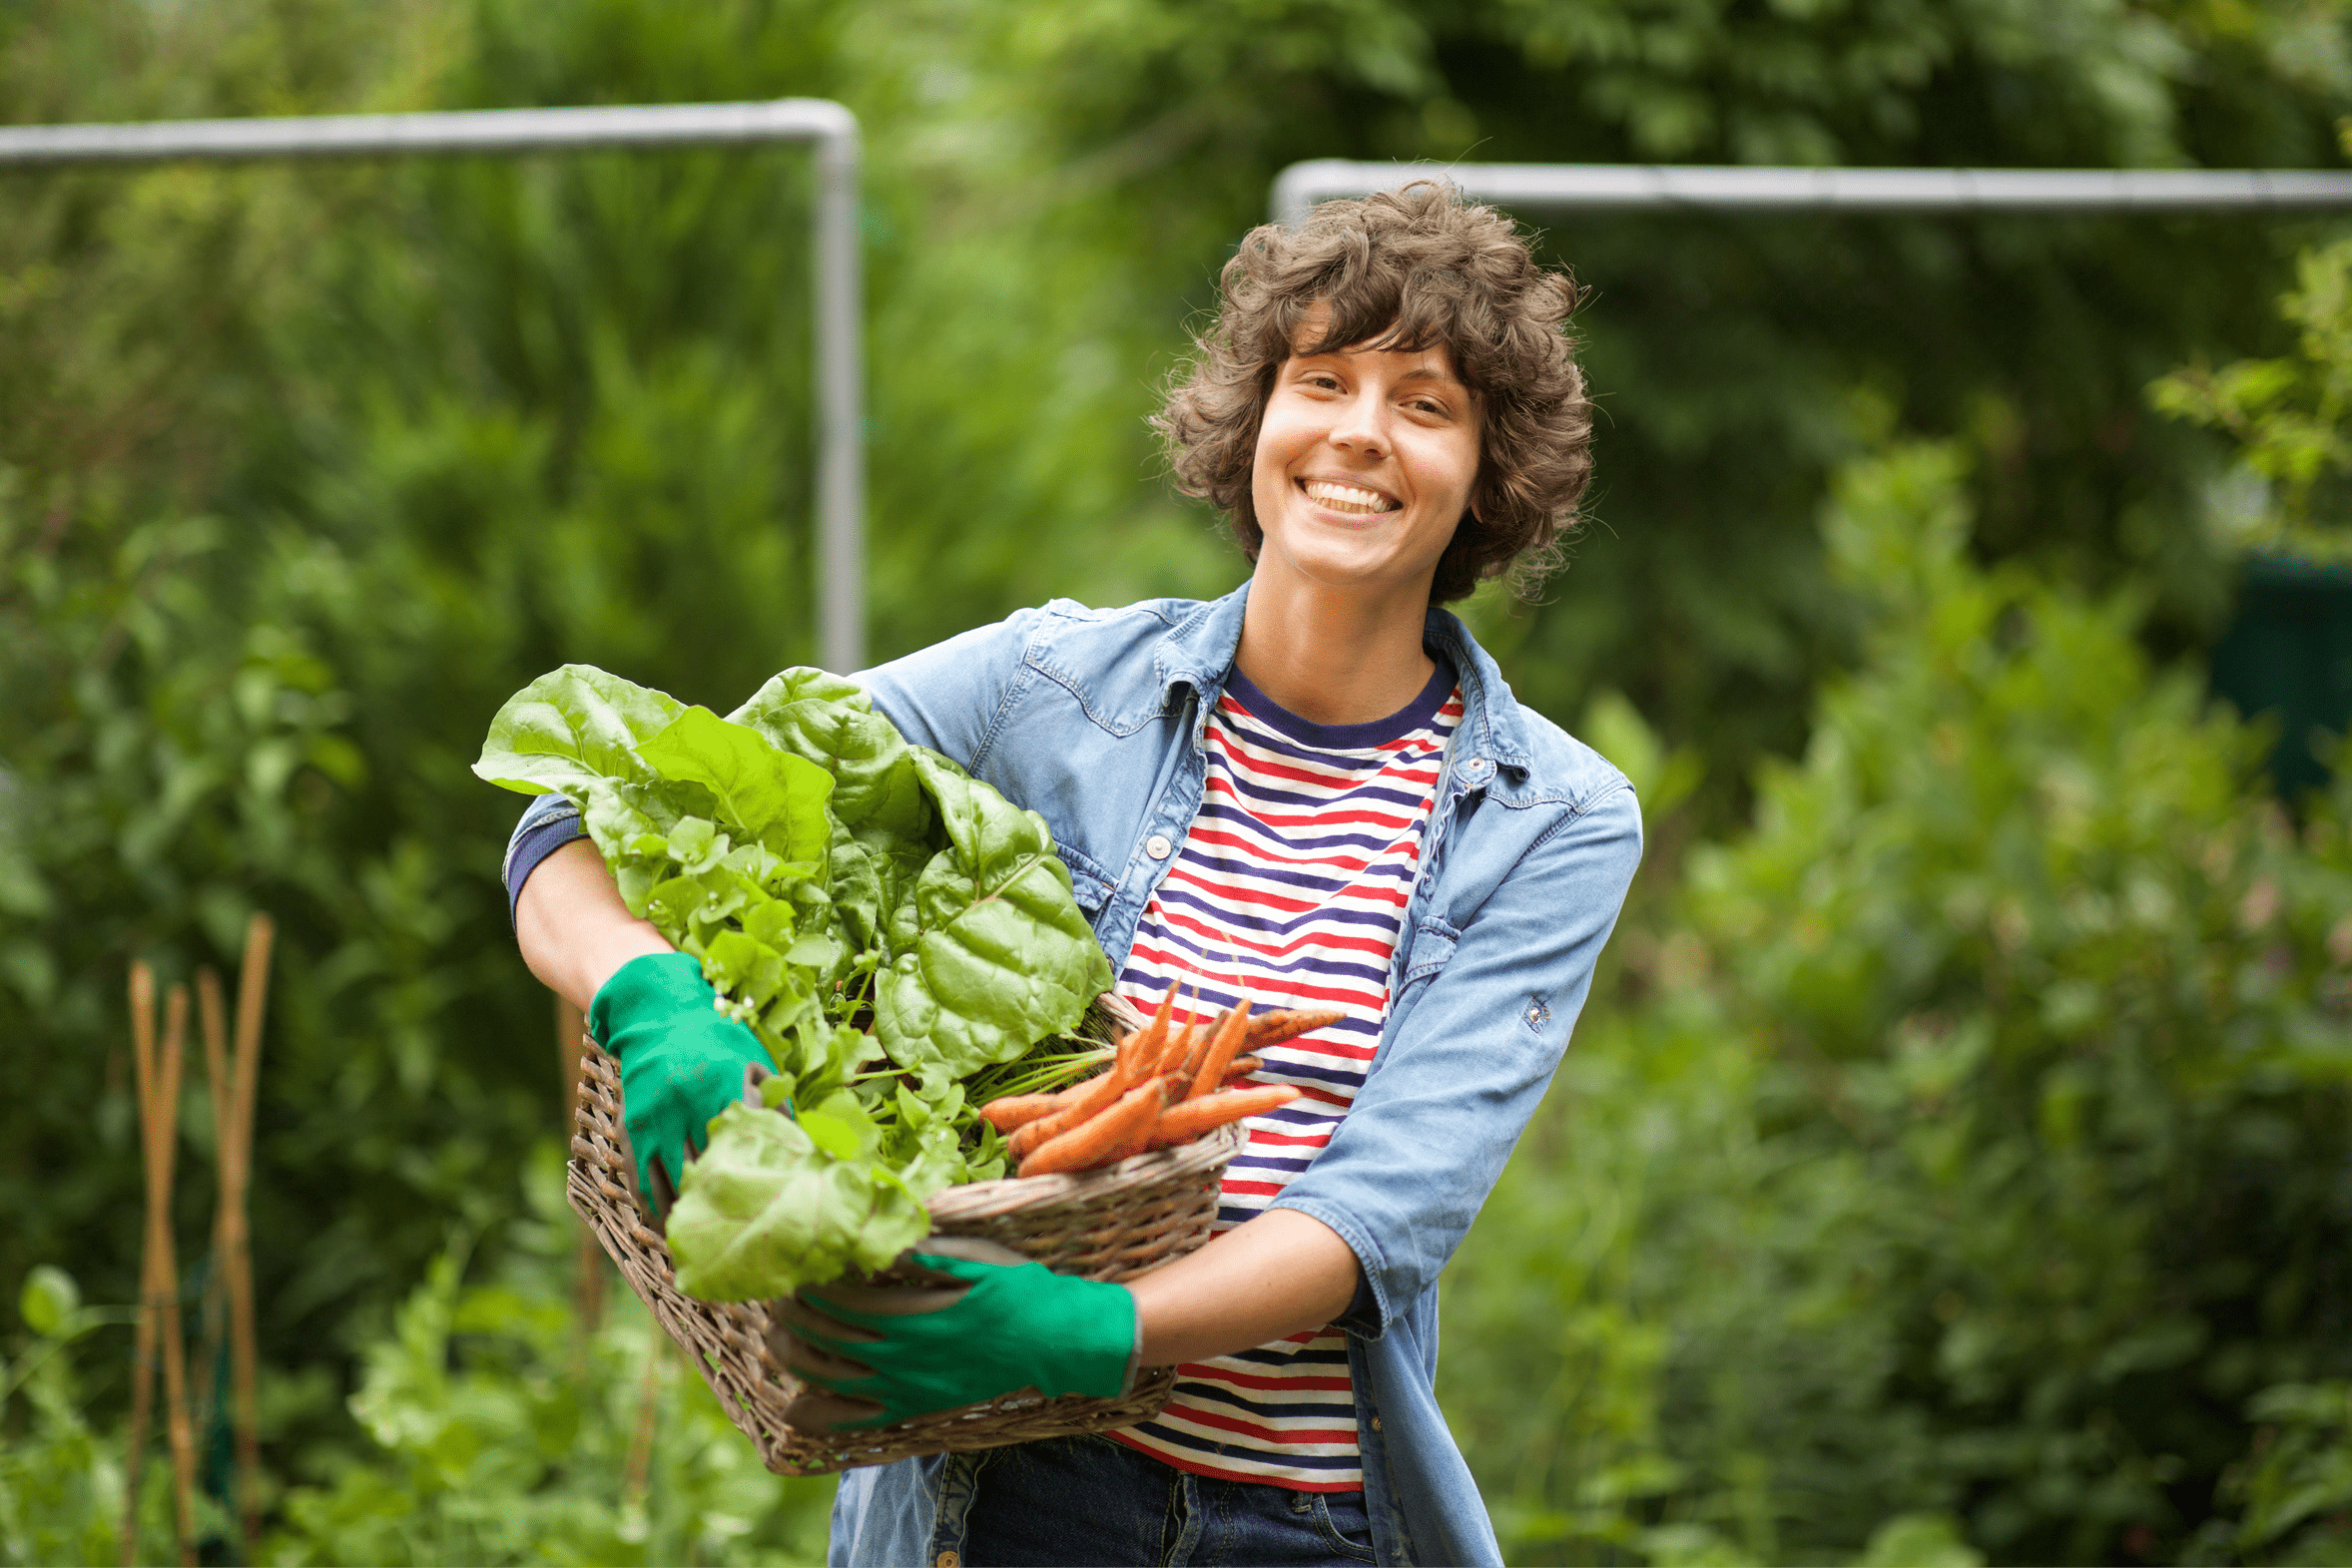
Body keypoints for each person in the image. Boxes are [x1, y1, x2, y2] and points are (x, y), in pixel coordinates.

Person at [504, 180, 1642, 1568]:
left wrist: (1100, 1329)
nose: (1358, 430)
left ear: (1485, 469)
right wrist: (644, 980)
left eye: (1425, 402)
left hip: (1307, 1524)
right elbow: (585, 815)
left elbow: (1383, 1211)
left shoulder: (1555, 816)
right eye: (1322, 378)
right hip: (1006, 1501)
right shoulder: (1053, 683)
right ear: (1255, 422)